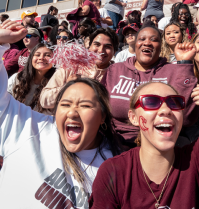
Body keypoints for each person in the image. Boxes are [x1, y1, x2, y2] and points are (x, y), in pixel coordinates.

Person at [89, 1, 199, 208]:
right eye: (151, 102)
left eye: (175, 103)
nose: (165, 109)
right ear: (132, 116)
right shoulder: (113, 172)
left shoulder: (194, 163)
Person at [0, 19, 121, 209]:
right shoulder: (34, 130)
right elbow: (42, 100)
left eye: (86, 105)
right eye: (65, 103)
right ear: (88, 46)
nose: (73, 112)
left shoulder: (113, 166)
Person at [100, 24, 199, 148]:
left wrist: (185, 63)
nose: (147, 43)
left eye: (154, 40)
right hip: (114, 142)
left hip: (159, 144)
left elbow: (186, 118)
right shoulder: (115, 69)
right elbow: (100, 108)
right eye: (142, 39)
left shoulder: (175, 71)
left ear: (161, 46)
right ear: (135, 44)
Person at [40, 27, 118, 110]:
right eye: (97, 44)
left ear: (115, 51)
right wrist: (67, 86)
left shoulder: (118, 74)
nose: (101, 50)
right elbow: (44, 100)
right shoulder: (71, 67)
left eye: (107, 47)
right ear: (89, 47)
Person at [7, 43, 55, 113]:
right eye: (37, 55)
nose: (41, 58)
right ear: (31, 58)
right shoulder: (17, 78)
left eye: (47, 55)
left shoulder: (57, 84)